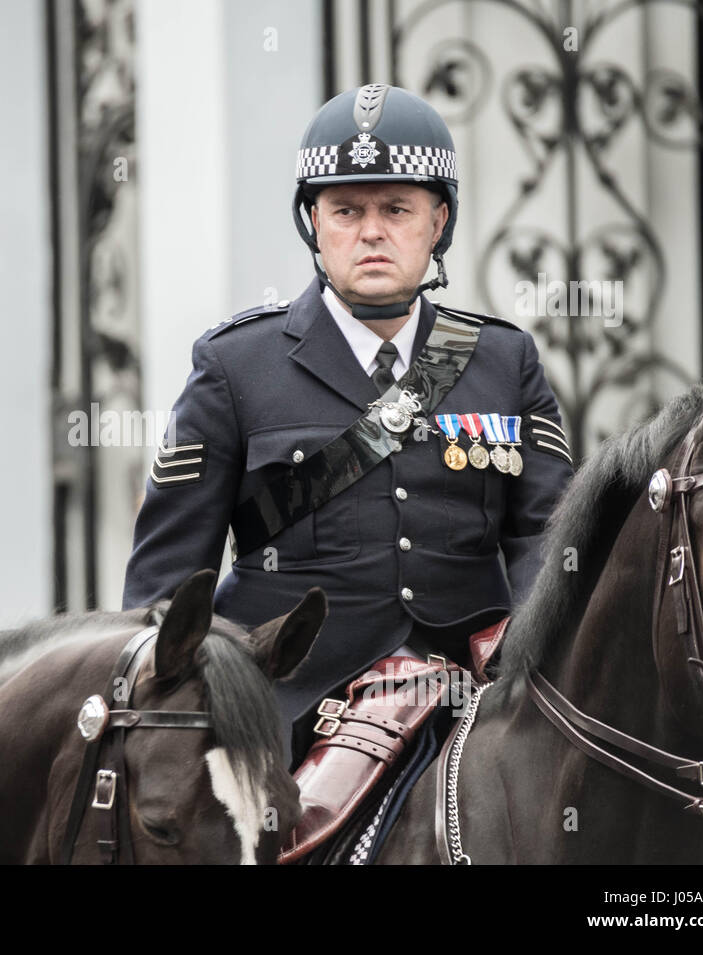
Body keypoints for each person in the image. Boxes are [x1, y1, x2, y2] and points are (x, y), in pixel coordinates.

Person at [122, 84, 574, 851]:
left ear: (439, 222)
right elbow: (166, 591)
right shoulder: (236, 367)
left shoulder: (506, 362)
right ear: (314, 224)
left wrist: (528, 666)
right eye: (347, 211)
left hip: (472, 706)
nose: (371, 233)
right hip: (290, 716)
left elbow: (548, 541)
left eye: (396, 209)